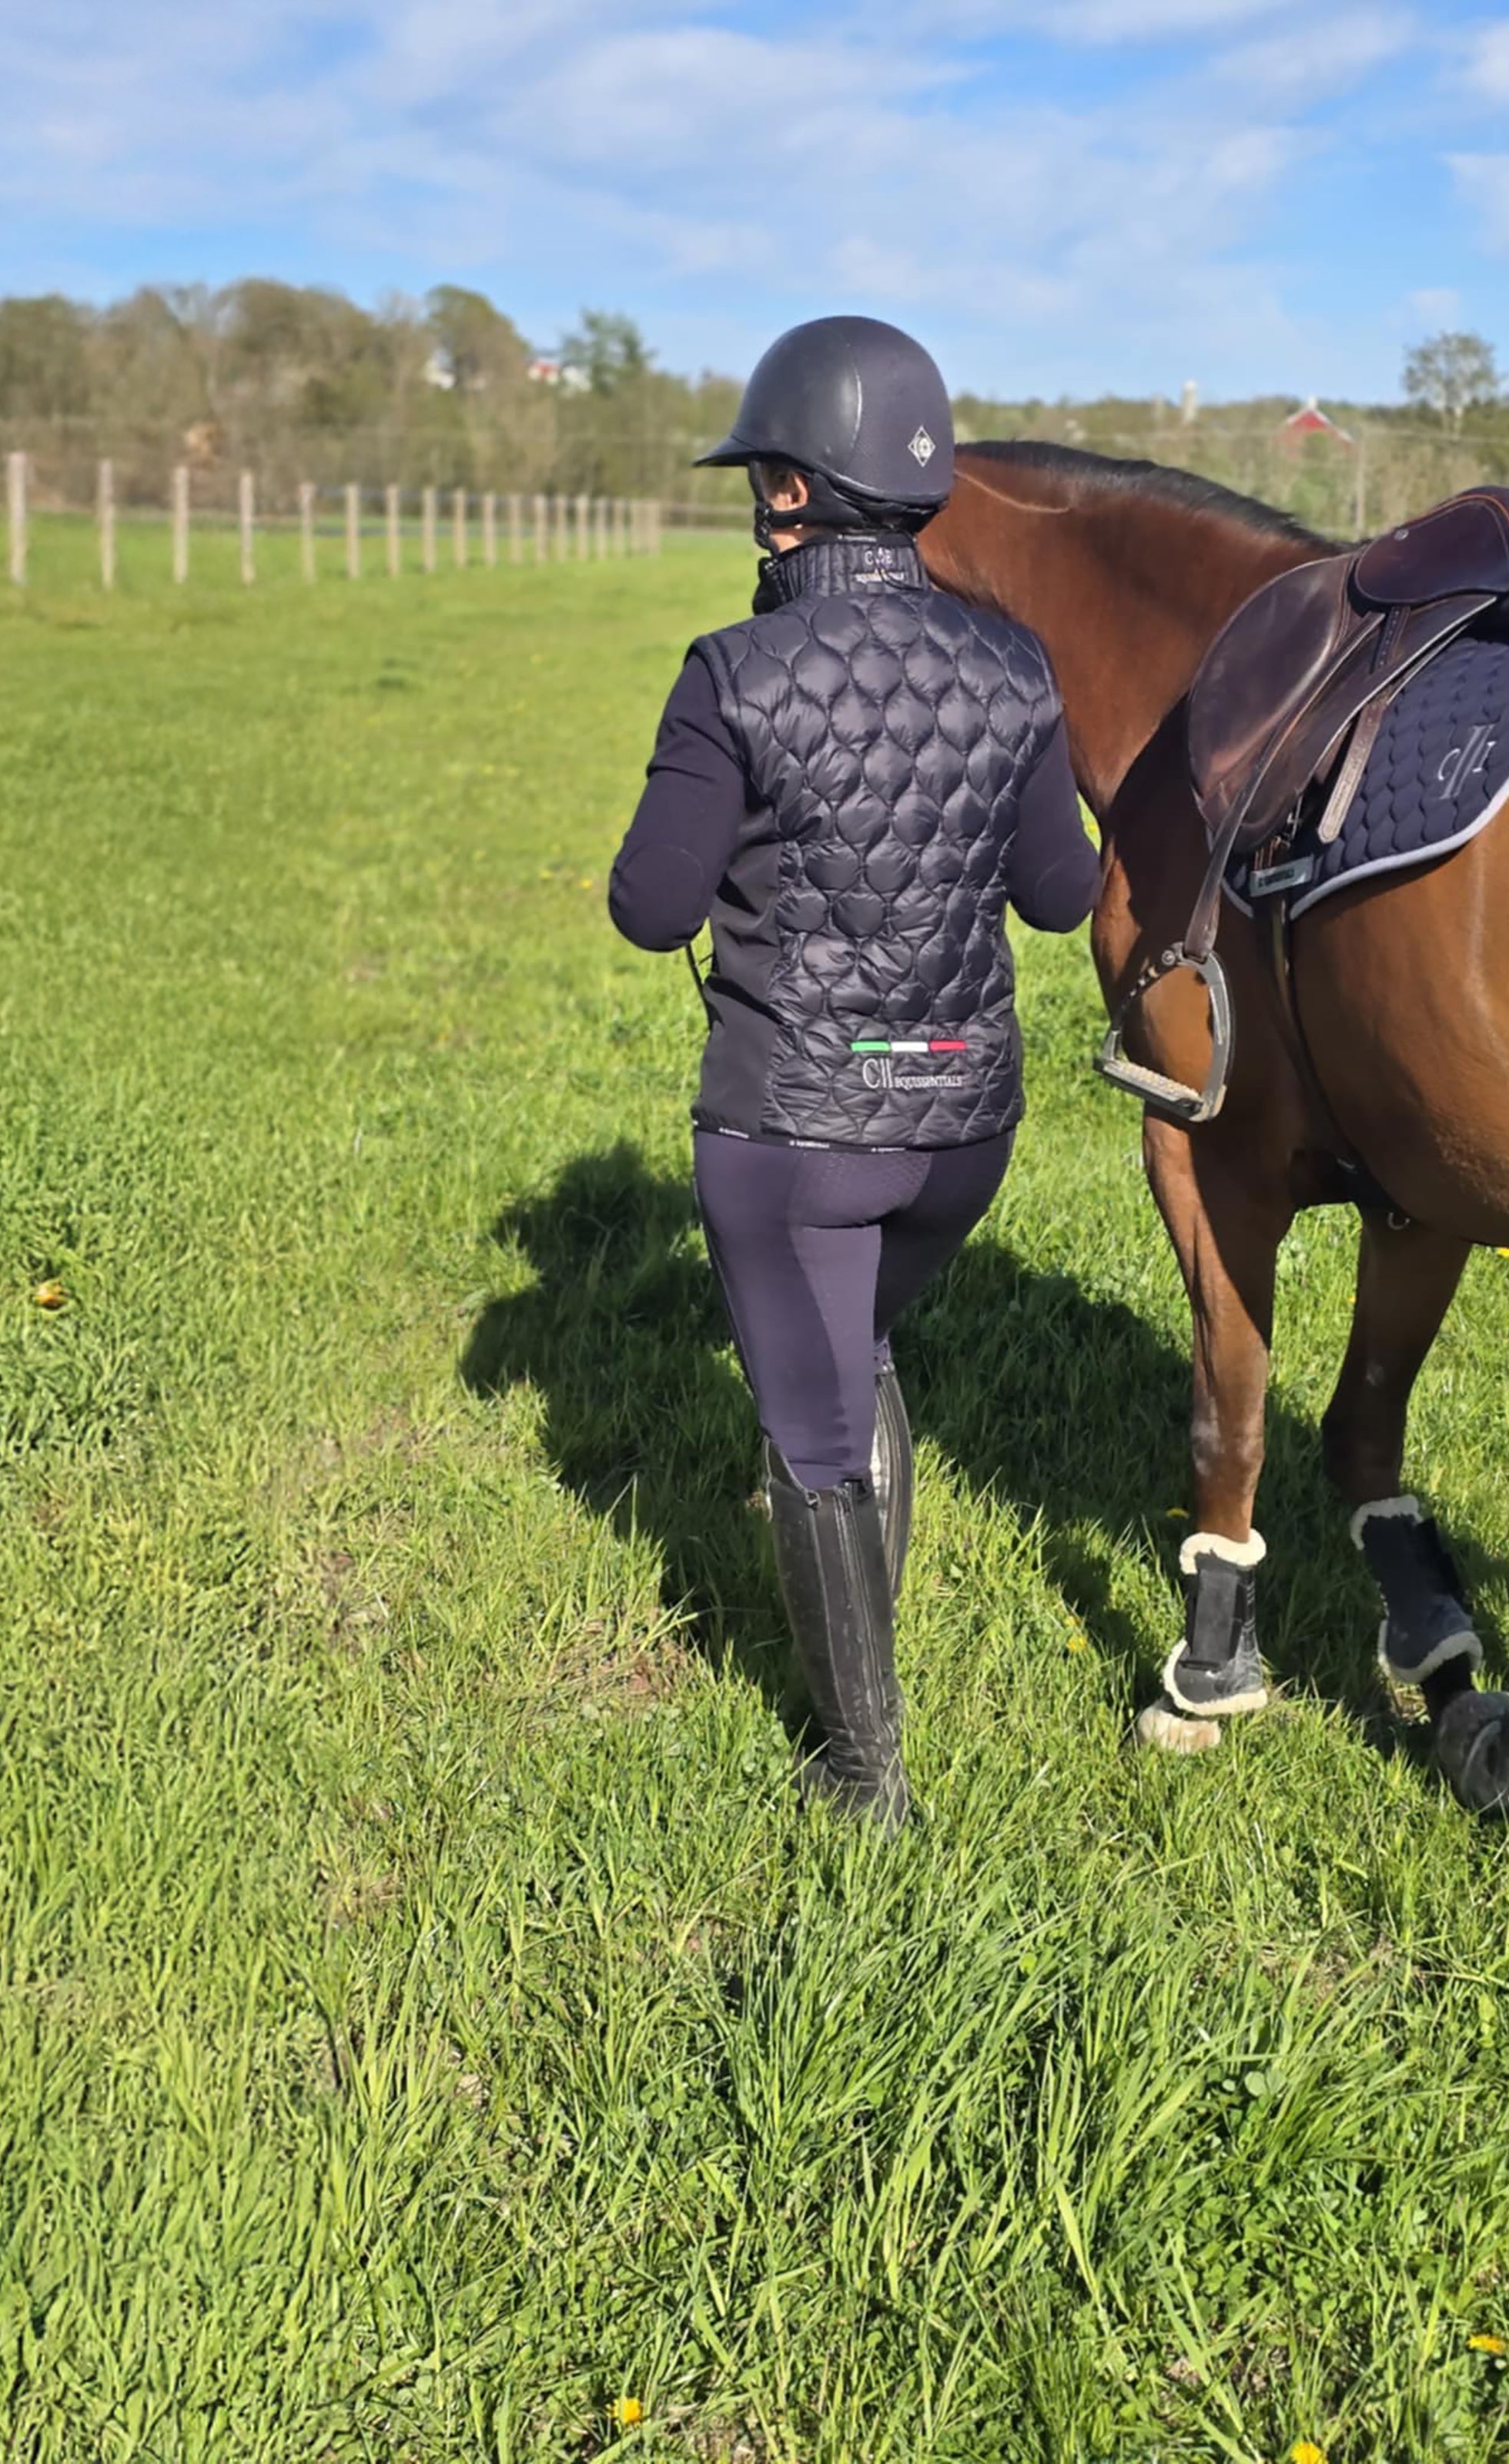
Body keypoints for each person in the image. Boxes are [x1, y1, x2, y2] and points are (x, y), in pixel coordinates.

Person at [607, 316, 1099, 1830]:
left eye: (761, 471)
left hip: (793, 1123)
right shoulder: (1015, 664)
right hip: (963, 1123)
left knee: (811, 1432)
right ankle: (864, 1687)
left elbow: (652, 909)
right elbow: (1062, 896)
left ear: (794, 495)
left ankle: (861, 1773)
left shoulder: (732, 672)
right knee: (858, 1357)